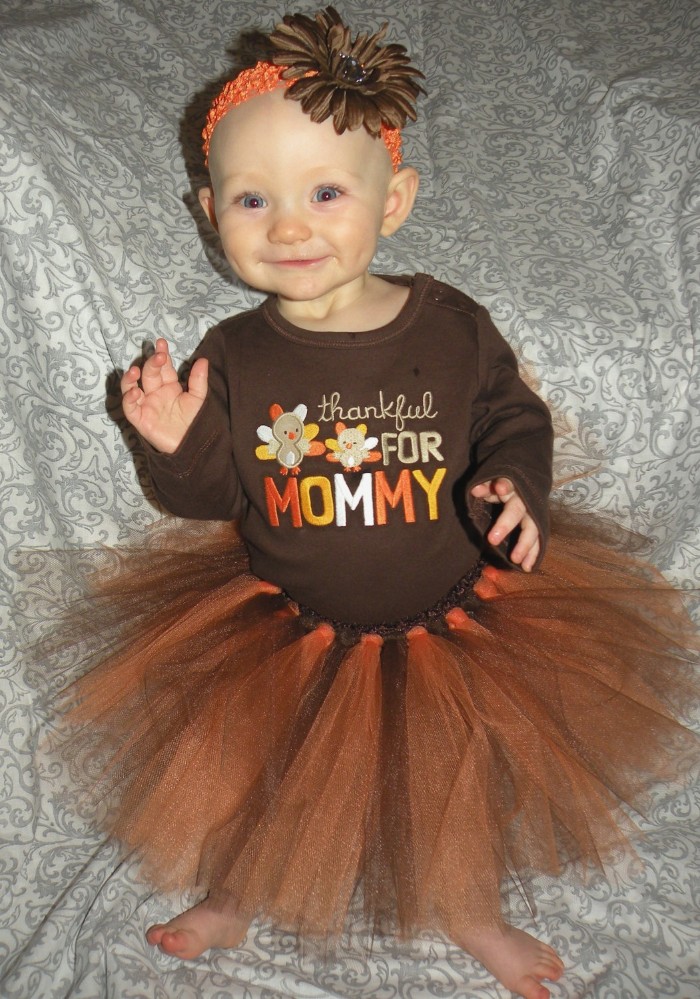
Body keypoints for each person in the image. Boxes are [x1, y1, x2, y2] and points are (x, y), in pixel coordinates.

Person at [53, 8, 697, 999]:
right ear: (206, 210)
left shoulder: (449, 324)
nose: (290, 226)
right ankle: (235, 896)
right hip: (286, 625)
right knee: (263, 778)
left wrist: (511, 482)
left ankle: (471, 911)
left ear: (392, 199)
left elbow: (512, 415)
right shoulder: (234, 352)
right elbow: (215, 494)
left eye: (322, 191)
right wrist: (176, 443)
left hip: (451, 622)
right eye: (250, 199)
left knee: (450, 791)